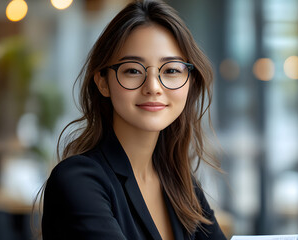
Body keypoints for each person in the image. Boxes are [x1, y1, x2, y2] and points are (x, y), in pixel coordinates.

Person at [41, 0, 227, 239]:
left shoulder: (183, 188)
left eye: (170, 70)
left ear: (190, 81)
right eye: (133, 70)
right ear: (103, 82)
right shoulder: (78, 180)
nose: (153, 87)